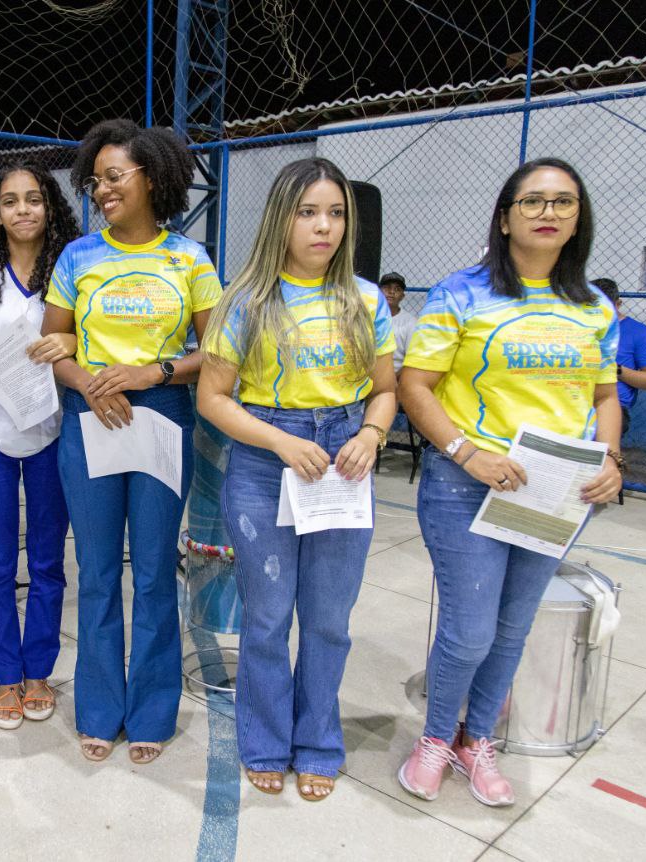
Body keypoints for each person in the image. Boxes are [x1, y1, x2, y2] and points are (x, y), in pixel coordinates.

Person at [397, 158, 622, 807]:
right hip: (468, 483)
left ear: (579, 218)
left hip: (556, 490)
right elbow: (416, 386)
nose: (549, 212)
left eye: (564, 202)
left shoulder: (593, 307)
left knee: (512, 627)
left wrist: (610, 459)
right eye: (533, 201)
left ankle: (478, 741)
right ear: (505, 216)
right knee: (468, 630)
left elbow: (605, 394)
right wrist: (468, 453)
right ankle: (437, 738)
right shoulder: (461, 293)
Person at [197, 157, 397, 801]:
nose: (324, 226)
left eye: (336, 213)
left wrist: (369, 434)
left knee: (329, 617)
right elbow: (214, 398)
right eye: (308, 212)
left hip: (343, 459)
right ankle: (265, 741)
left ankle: (317, 741)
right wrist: (284, 441)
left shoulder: (366, 300)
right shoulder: (247, 300)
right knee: (267, 615)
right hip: (265, 459)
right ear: (281, 218)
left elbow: (386, 391)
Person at [42, 118, 221, 764]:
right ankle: (98, 708)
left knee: (150, 573)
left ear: (153, 177)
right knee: (94, 571)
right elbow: (55, 346)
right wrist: (89, 382)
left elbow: (218, 348)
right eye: (96, 181)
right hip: (90, 415)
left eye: (115, 177)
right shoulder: (77, 257)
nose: (102, 191)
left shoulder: (189, 258)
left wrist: (154, 372)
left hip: (162, 414)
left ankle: (150, 710)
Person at [0, 161, 80, 730]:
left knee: (49, 562)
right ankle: (5, 674)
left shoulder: (71, 267)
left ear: (50, 206)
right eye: (10, 201)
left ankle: (37, 671)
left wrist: (69, 339)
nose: (22, 209)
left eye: (33, 198)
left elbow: (89, 341)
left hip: (53, 434)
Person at [592, 277, 646, 436]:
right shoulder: (579, 326)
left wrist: (614, 368)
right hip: (573, 398)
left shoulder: (639, 332)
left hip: (610, 405)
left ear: (618, 304)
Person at [378, 271, 416, 375]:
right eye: (387, 287)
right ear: (378, 291)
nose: (391, 292)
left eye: (397, 289)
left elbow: (411, 361)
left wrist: (392, 381)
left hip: (396, 377)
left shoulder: (410, 322)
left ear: (402, 296)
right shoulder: (367, 317)